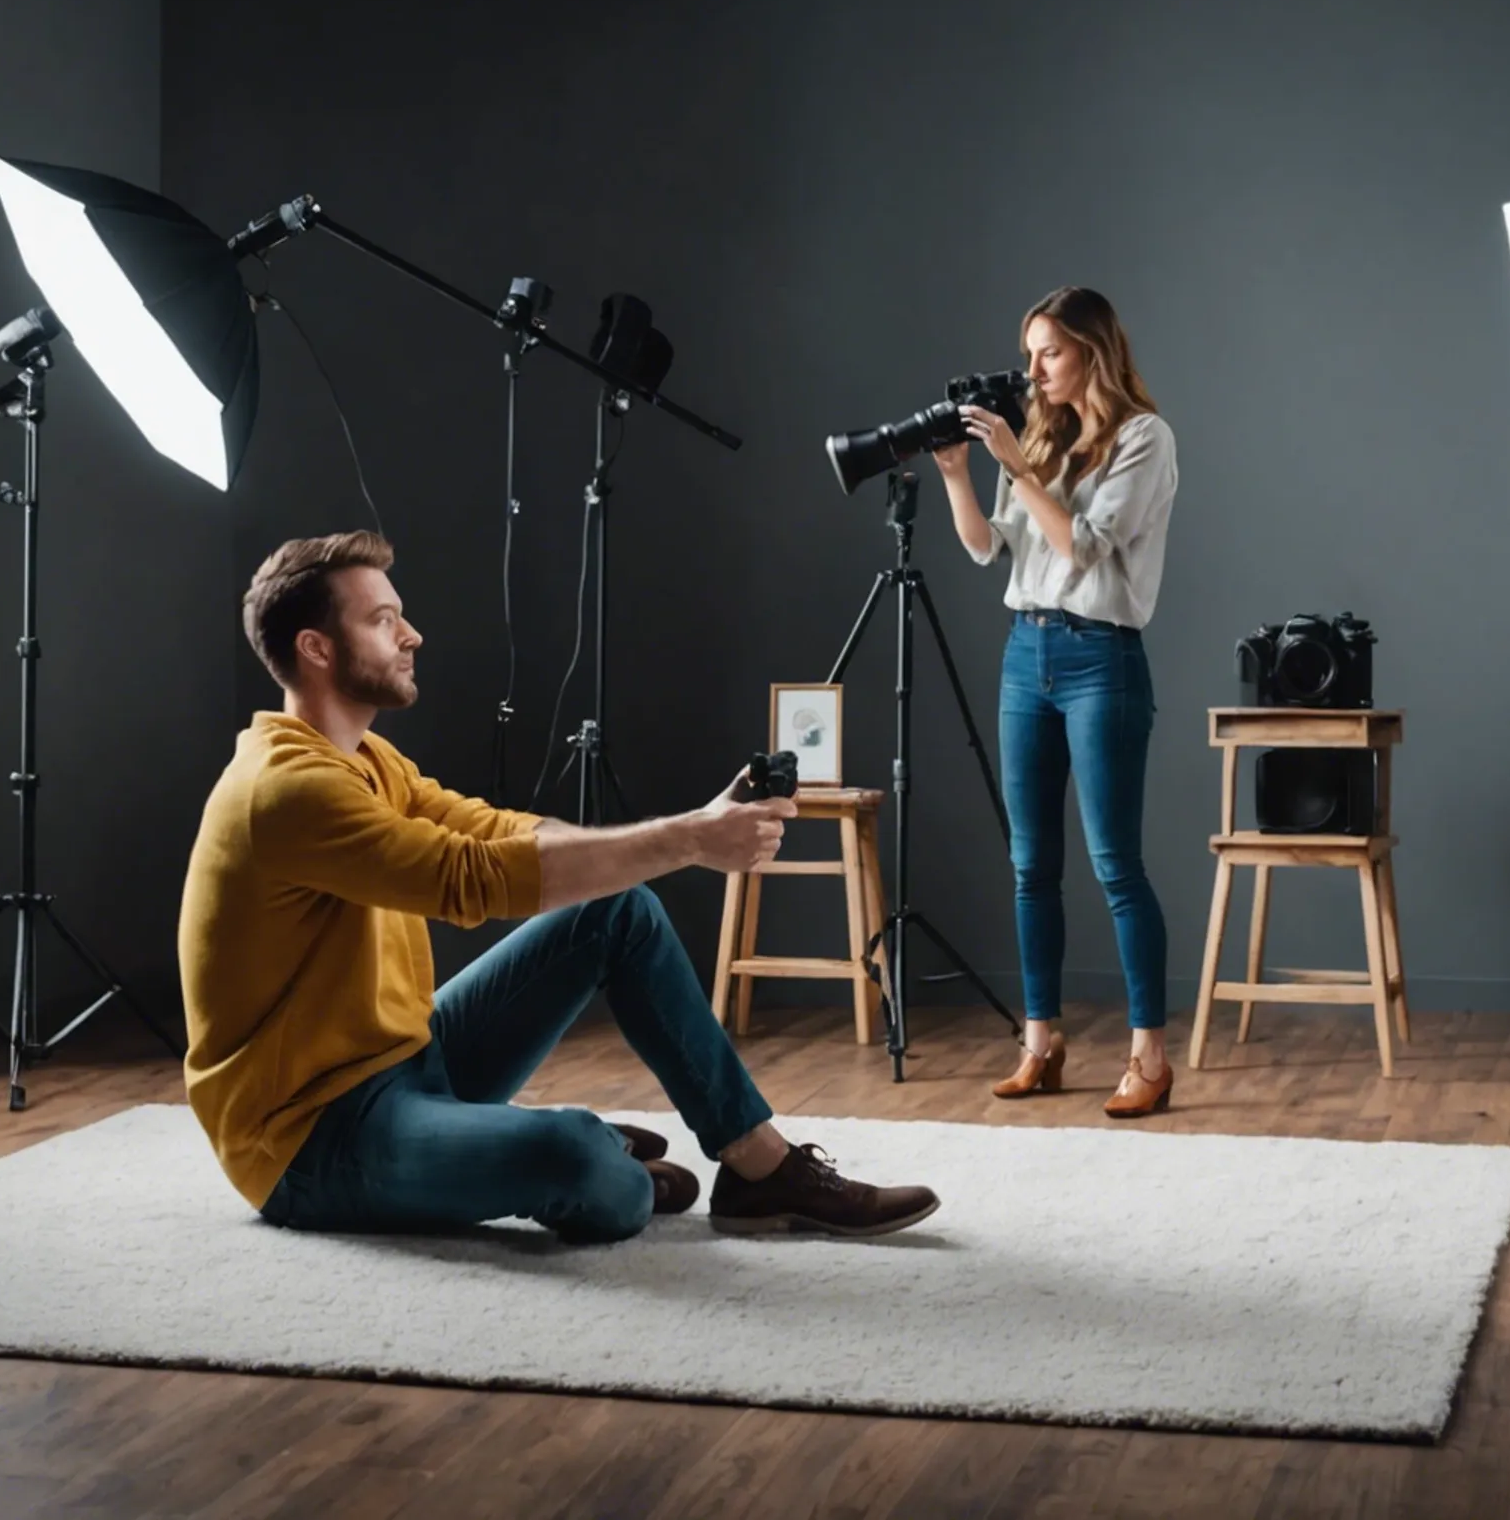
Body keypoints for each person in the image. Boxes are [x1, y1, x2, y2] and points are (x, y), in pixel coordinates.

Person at [178, 531, 941, 1245]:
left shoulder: (368, 759)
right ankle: (586, 1148)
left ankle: (759, 1165)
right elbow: (470, 879)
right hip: (310, 1134)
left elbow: (497, 831)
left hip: (406, 1059)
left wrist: (696, 826)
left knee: (615, 909)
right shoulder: (284, 790)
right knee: (589, 1170)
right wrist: (689, 842)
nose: (412, 636)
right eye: (384, 621)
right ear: (316, 648)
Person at [931, 287, 1180, 1117]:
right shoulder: (1040, 433)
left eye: (1050, 353)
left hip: (1101, 659)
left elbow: (1083, 545)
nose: (1033, 369)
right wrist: (959, 475)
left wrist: (1014, 462)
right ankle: (1041, 1042)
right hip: (1025, 654)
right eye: (1030, 351)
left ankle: (1148, 1056)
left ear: (1093, 353)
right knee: (1030, 865)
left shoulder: (1144, 439)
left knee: (1116, 865)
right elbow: (984, 549)